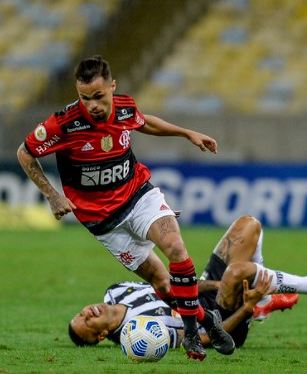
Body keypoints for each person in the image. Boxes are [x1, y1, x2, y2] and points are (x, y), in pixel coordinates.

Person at [17, 55, 233, 360]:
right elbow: (24, 154)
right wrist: (52, 195)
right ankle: (206, 319)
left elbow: (144, 122)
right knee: (162, 283)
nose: (92, 105)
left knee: (175, 248)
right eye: (84, 97)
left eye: (99, 96)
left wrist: (187, 133)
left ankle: (192, 337)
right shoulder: (63, 124)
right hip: (104, 223)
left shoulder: (125, 107)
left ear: (112, 87)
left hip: (137, 196)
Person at [69, 215, 307, 350]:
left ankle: (265, 300)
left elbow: (174, 286)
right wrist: (245, 309)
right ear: (102, 335)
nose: (87, 312)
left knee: (249, 225)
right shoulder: (141, 335)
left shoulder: (116, 291)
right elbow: (206, 340)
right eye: (87, 324)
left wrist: (215, 286)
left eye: (80, 313)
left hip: (204, 292)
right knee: (236, 273)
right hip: (220, 322)